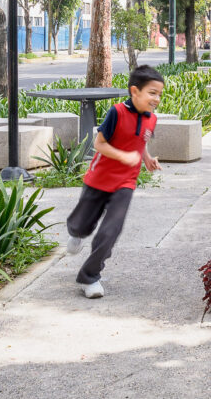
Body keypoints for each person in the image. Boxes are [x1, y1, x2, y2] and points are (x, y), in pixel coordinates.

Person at [65, 64, 162, 298]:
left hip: (125, 183)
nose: (156, 99)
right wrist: (123, 156)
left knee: (111, 230)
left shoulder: (151, 119)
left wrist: (146, 158)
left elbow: (140, 141)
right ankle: (77, 232)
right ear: (134, 91)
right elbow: (98, 144)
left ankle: (90, 277)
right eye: (152, 93)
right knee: (82, 224)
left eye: (159, 94)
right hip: (99, 178)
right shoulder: (116, 112)